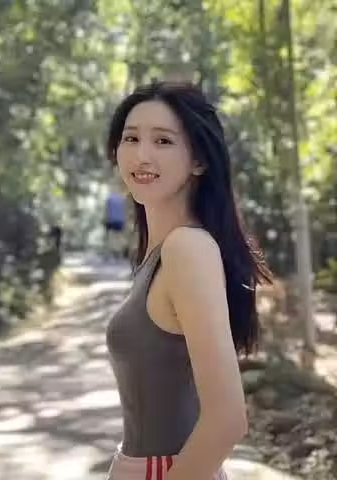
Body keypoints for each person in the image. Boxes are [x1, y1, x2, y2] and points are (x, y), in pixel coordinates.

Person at [104, 81, 271, 480]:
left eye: (163, 141)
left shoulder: (187, 248)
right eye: (131, 138)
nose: (142, 155)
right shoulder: (157, 254)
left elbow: (227, 419)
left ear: (198, 161)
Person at [103, 186, 127, 260]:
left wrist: (106, 219)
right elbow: (125, 210)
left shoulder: (109, 198)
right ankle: (119, 254)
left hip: (111, 220)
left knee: (109, 237)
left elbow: (107, 210)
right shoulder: (122, 199)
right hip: (120, 220)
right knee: (119, 237)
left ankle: (108, 254)